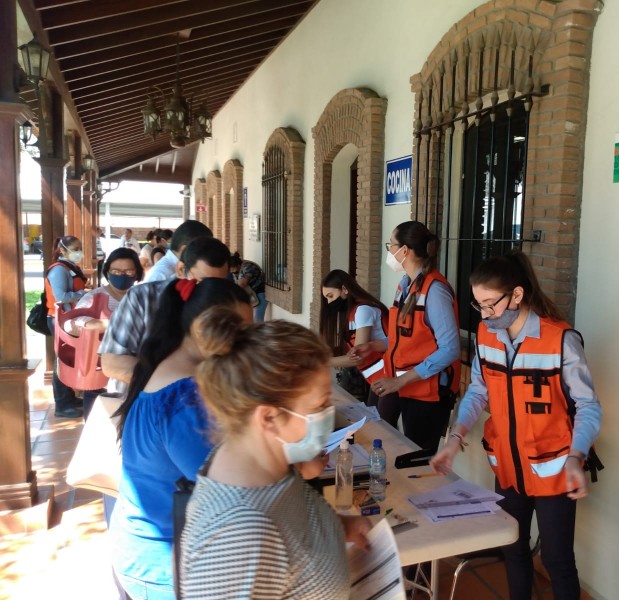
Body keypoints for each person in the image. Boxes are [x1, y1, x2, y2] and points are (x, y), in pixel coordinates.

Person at [430, 250, 602, 600]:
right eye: (478, 305)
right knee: (513, 548)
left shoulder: (561, 340)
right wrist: (455, 436)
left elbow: (588, 406)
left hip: (554, 470)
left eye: (491, 304)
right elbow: (478, 390)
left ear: (517, 295)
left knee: (557, 562)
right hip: (507, 467)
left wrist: (576, 457)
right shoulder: (486, 334)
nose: (484, 313)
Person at [180, 315, 371, 599]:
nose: (328, 414)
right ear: (269, 417)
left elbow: (291, 532)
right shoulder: (238, 537)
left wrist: (340, 529)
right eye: (320, 405)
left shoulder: (267, 463)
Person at [110, 278, 253, 600]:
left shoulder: (166, 369)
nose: (248, 343)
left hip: (142, 550)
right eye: (241, 331)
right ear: (207, 327)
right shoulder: (186, 398)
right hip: (163, 565)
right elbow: (229, 491)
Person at [357, 221, 460, 453]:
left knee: (417, 461)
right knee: (381, 439)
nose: (389, 252)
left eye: (391, 245)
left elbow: (450, 349)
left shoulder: (436, 291)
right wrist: (372, 346)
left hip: (427, 393)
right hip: (400, 385)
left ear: (405, 251)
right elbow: (404, 338)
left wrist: (401, 381)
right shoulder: (405, 286)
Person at [99, 234, 229, 389]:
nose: (211, 291)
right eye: (202, 282)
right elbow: (113, 362)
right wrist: (173, 390)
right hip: (140, 402)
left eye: (219, 284)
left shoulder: (224, 304)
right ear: (180, 269)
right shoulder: (143, 298)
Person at [65, 247, 144, 416]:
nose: (122, 275)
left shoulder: (142, 297)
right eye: (116, 271)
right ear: (107, 272)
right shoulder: (93, 297)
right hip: (98, 376)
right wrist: (103, 324)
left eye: (128, 271)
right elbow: (71, 324)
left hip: (132, 375)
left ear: (137, 273)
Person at [319, 269, 388, 403]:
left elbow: (357, 357)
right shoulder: (352, 312)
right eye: (326, 298)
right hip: (377, 378)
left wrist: (321, 362)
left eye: (330, 296)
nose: (328, 302)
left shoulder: (363, 311)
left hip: (388, 375)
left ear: (344, 289)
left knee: (381, 422)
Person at [45, 235, 88, 418]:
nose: (79, 252)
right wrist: (82, 294)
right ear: (63, 250)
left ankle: (69, 397)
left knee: (67, 359)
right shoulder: (58, 270)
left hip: (69, 318)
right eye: (75, 249)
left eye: (79, 248)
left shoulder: (70, 267)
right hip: (59, 318)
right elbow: (61, 296)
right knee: (62, 360)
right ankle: (62, 403)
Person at [145, 220, 212, 282]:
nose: (206, 255)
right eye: (204, 250)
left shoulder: (185, 267)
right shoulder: (161, 275)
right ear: (185, 249)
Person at [229, 253, 268, 321]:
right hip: (252, 295)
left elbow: (243, 283)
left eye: (231, 268)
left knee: (258, 320)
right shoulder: (237, 270)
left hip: (260, 293)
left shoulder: (248, 266)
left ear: (237, 265)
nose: (230, 271)